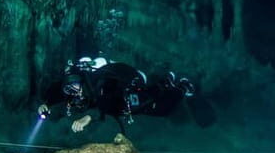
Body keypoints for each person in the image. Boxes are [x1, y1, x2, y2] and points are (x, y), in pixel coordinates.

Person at [37, 57, 196, 133]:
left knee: (160, 108)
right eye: (69, 89)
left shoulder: (101, 82)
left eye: (76, 86)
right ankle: (165, 80)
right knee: (150, 100)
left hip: (125, 89)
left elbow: (105, 101)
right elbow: (57, 89)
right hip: (114, 92)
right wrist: (47, 103)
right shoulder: (72, 85)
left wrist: (89, 117)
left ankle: (179, 86)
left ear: (82, 81)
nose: (75, 92)